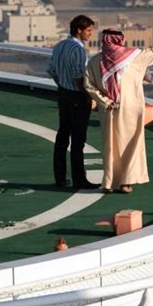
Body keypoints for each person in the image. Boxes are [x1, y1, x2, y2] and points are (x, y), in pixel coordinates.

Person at [84, 29, 153, 193]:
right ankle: (125, 183)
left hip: (108, 109)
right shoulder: (135, 56)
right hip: (131, 108)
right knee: (131, 144)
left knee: (110, 145)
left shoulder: (95, 61)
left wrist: (104, 101)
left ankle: (109, 183)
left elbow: (88, 85)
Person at [48, 14, 98, 189]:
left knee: (62, 137)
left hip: (63, 94)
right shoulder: (78, 50)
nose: (90, 34)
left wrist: (63, 86)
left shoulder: (60, 46)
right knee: (78, 140)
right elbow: (78, 78)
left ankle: (60, 177)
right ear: (80, 30)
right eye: (89, 30)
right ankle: (79, 179)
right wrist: (88, 96)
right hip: (77, 97)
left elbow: (52, 71)